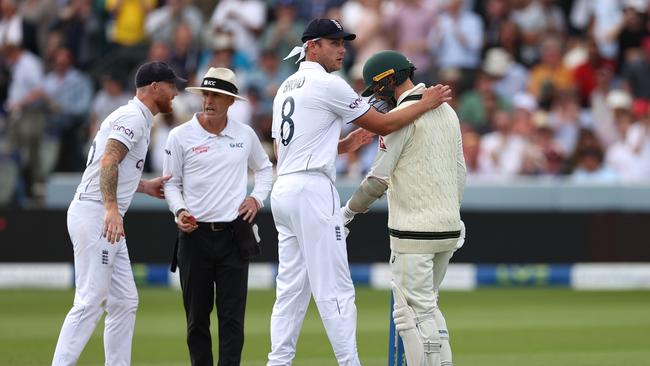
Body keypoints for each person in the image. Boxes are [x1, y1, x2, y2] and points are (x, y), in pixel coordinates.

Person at [268, 18, 452, 366]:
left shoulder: (285, 87)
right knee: (335, 287)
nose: (342, 49)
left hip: (285, 189)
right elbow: (383, 124)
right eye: (334, 43)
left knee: (290, 290)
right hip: (312, 191)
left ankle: (277, 362)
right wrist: (425, 103)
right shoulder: (329, 84)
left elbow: (285, 149)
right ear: (312, 46)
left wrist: (341, 145)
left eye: (343, 43)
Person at [52, 61, 184, 366]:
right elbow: (109, 160)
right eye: (171, 85)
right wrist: (111, 208)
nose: (175, 92)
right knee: (90, 300)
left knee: (124, 302)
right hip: (97, 213)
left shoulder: (136, 117)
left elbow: (113, 166)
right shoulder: (132, 117)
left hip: (101, 213)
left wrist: (143, 186)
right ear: (154, 88)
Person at [340, 50, 466, 366]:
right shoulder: (447, 112)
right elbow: (460, 170)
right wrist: (453, 210)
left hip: (414, 232)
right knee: (429, 307)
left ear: (387, 82)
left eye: (376, 90)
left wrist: (347, 213)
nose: (375, 100)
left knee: (409, 313)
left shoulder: (401, 119)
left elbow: (376, 181)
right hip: (448, 227)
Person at [163, 67, 273, 365]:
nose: (209, 100)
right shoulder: (180, 136)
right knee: (197, 320)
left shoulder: (244, 134)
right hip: (194, 235)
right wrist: (180, 210)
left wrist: (256, 198)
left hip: (233, 236)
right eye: (206, 94)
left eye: (216, 95)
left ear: (230, 101)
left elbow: (265, 170)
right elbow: (171, 183)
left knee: (232, 320)